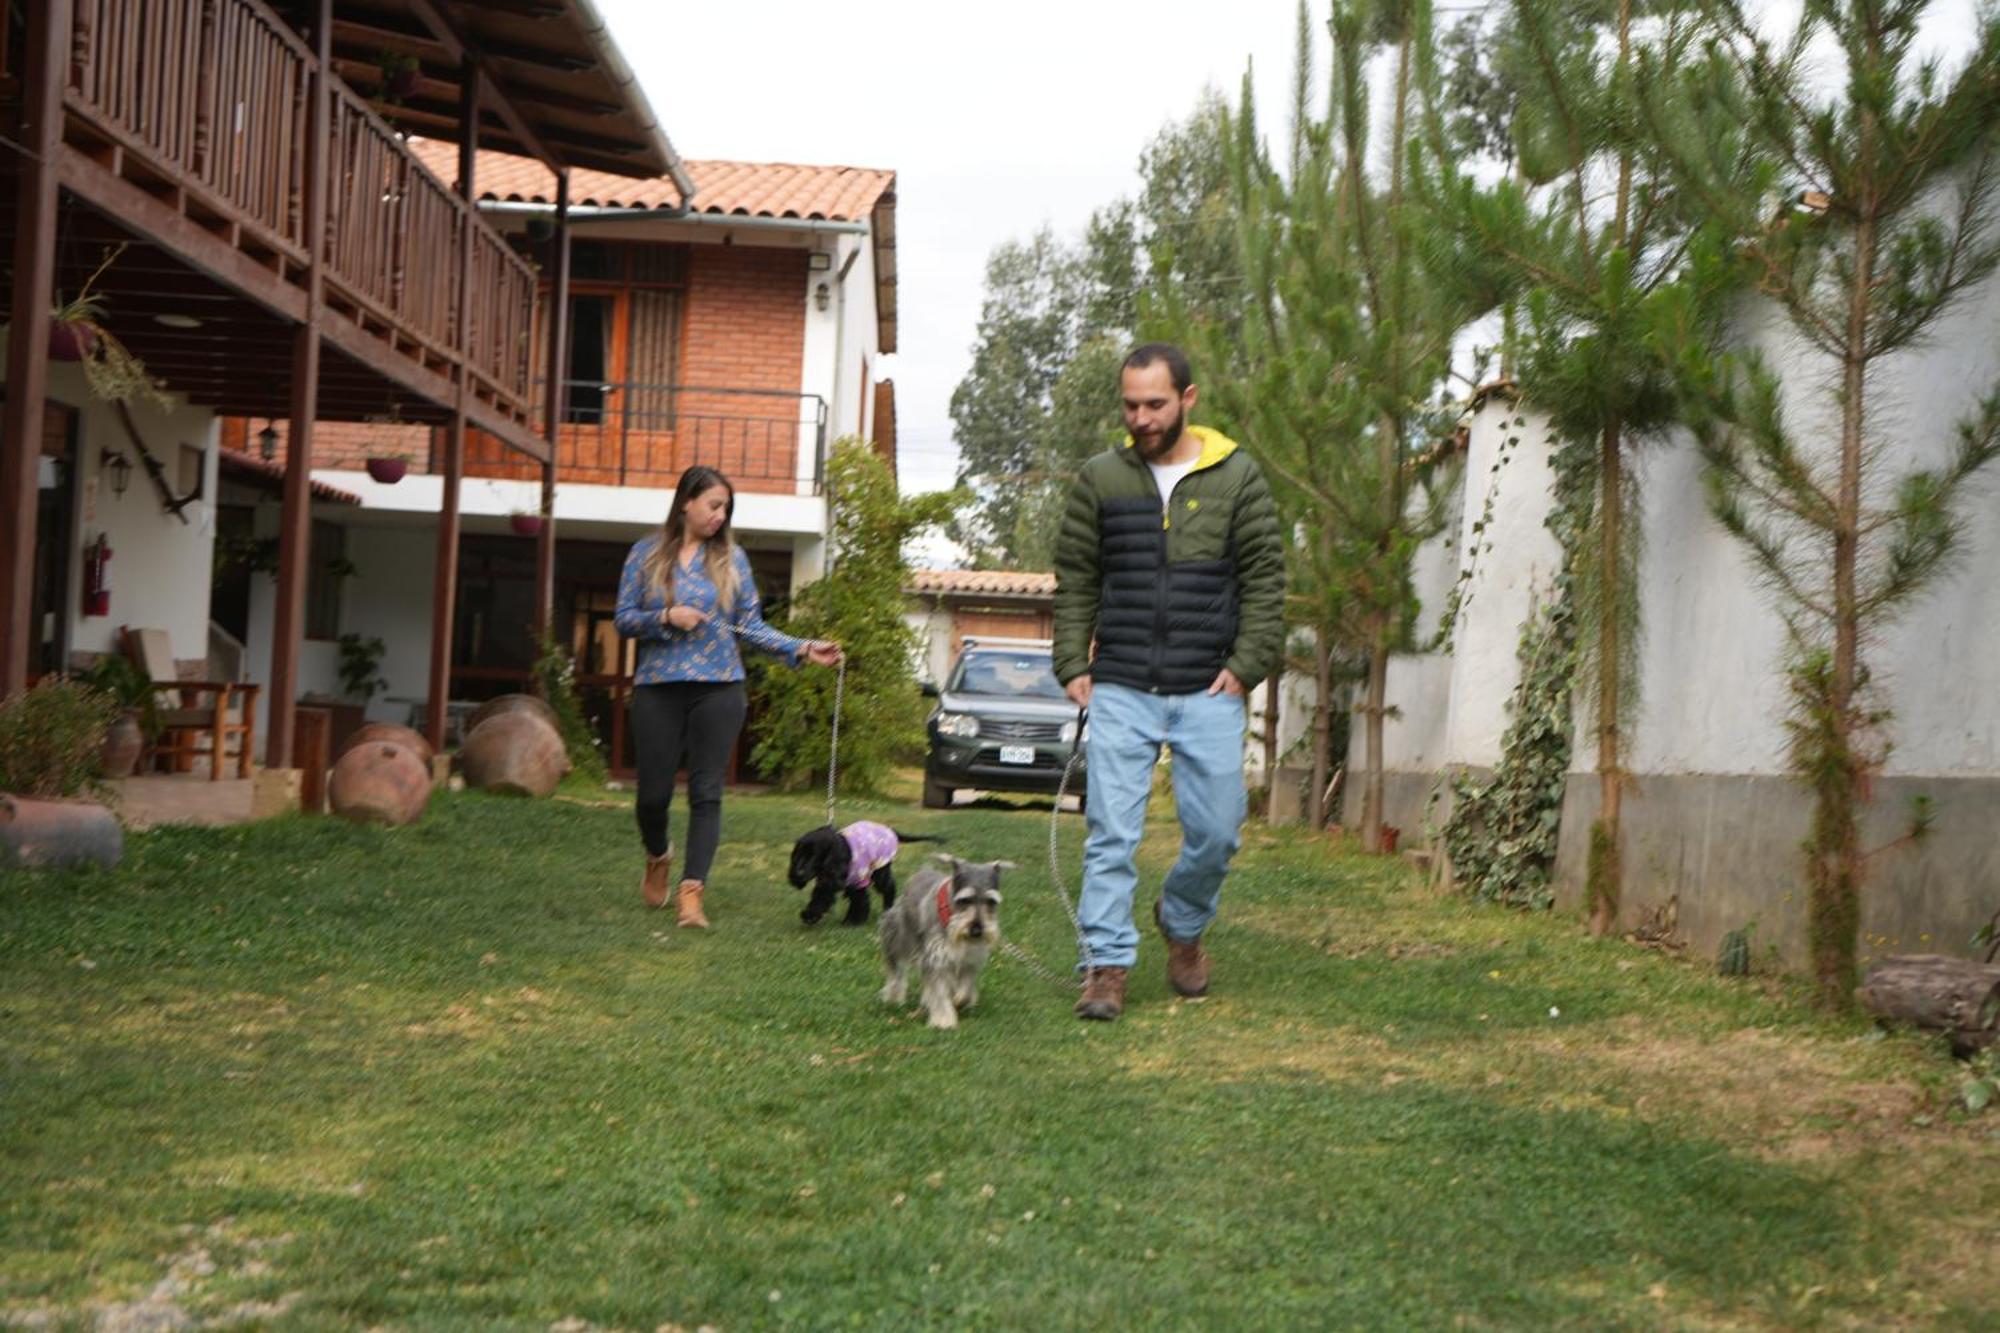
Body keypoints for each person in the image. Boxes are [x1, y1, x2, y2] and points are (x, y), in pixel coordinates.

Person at [1052, 343, 1285, 1020]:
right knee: (1111, 833)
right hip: (1122, 682)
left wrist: (1247, 664)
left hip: (1207, 688)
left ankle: (1181, 923)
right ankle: (1104, 965)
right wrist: (1073, 661)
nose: (1141, 417)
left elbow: (1267, 579)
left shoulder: (1238, 477)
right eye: (1130, 404)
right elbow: (1076, 578)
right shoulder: (1102, 478)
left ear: (1188, 398)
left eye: (1155, 404)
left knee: (1217, 831)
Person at [614, 465, 842, 927]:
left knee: (706, 792)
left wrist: (801, 647)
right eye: (714, 505)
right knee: (652, 797)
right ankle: (658, 855)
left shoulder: (732, 560)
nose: (721, 516)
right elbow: (623, 618)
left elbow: (751, 626)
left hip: (720, 688)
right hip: (658, 687)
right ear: (686, 502)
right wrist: (664, 617)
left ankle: (692, 892)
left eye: (726, 509)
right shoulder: (644, 554)